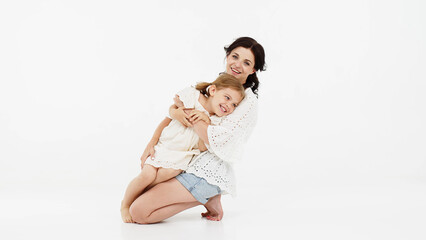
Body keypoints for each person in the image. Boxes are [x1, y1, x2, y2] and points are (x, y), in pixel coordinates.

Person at [129, 37, 266, 224]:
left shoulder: (246, 102)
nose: (238, 65)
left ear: (253, 70)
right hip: (184, 163)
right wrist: (156, 137)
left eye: (247, 62)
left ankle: (206, 196)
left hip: (204, 172)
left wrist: (184, 112)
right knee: (140, 193)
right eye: (235, 56)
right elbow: (176, 110)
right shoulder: (220, 85)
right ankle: (205, 197)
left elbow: (214, 139)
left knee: (138, 212)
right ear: (227, 56)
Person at [121, 73, 246, 223]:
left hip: (182, 156)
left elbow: (202, 147)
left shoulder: (215, 122)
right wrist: (175, 112)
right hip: (165, 146)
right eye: (227, 98)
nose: (229, 105)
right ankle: (126, 204)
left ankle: (142, 199)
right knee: (147, 176)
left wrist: (205, 122)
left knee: (166, 173)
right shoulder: (194, 98)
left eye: (234, 104)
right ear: (212, 91)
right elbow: (172, 110)